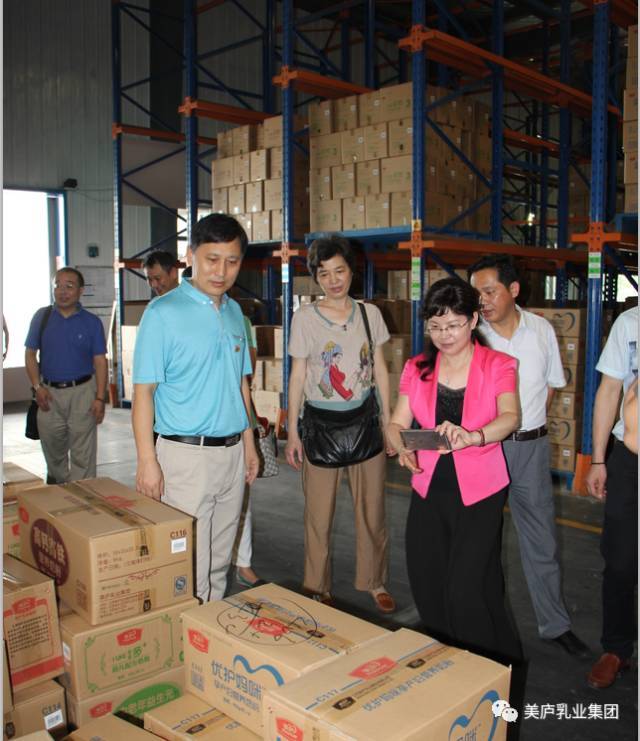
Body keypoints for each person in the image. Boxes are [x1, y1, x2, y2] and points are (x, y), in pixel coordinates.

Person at [386, 277, 522, 662]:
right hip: (429, 487)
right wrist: (401, 446)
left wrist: (474, 436)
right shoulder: (418, 367)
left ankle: (484, 666)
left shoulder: (498, 365)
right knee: (427, 580)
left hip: (480, 490)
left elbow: (510, 416)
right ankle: (450, 659)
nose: (444, 335)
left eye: (453, 325)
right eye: (435, 326)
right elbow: (396, 422)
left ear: (473, 320)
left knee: (467, 588)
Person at [132, 213, 259, 603]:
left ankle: (210, 629)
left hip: (231, 454)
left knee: (219, 562)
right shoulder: (162, 313)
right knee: (190, 566)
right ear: (190, 256)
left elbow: (240, 384)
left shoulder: (235, 312)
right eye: (212, 259)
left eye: (232, 261)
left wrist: (249, 443)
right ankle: (188, 634)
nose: (221, 271)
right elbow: (143, 393)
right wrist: (147, 460)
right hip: (185, 457)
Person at [468, 254, 589, 659]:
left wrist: (528, 426)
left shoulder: (541, 330)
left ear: (514, 289)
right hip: (485, 448)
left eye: (490, 291)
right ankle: (482, 627)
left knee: (541, 541)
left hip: (531, 449)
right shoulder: (473, 337)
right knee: (481, 541)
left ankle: (555, 626)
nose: (482, 301)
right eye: (477, 293)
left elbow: (551, 386)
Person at [285, 236, 396, 614]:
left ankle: (374, 581)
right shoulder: (304, 318)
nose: (333, 280)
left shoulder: (369, 314)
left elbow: (380, 368)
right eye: (324, 274)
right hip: (320, 426)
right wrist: (292, 432)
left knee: (372, 511)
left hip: (365, 422)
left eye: (339, 271)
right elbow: (298, 375)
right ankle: (317, 587)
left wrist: (388, 420)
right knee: (318, 516)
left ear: (352, 271)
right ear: (315, 277)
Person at [585, 306, 638, 689]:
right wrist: (598, 458)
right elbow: (609, 389)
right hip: (630, 457)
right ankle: (616, 648)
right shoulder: (630, 323)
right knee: (620, 559)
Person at [25, 268, 107, 484]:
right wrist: (37, 387)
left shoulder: (91, 322)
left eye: (69, 286)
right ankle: (61, 491)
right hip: (48, 394)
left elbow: (100, 361)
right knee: (52, 451)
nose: (62, 291)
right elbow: (30, 354)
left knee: (83, 454)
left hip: (83, 393)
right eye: (57, 286)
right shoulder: (42, 318)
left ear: (80, 291)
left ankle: (84, 494)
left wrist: (100, 398)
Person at [233, 314, 266, 588]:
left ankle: (243, 563)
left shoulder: (236, 316)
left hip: (237, 420)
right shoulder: (168, 312)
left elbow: (247, 366)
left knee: (242, 497)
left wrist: (249, 439)